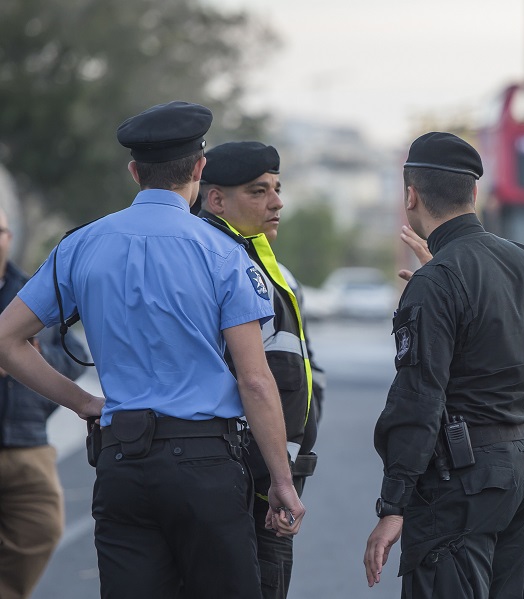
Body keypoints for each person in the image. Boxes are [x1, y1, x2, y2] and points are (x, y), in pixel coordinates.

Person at [0, 101, 304, 599]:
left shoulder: (81, 245)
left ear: (134, 171)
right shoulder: (223, 254)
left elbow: (7, 340)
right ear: (200, 169)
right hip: (207, 466)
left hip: (124, 464)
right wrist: (281, 481)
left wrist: (84, 403)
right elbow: (254, 379)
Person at [363, 132, 524, 598]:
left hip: (462, 483)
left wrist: (394, 506)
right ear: (474, 193)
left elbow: (419, 398)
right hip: (522, 472)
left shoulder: (438, 281)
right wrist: (441, 278)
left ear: (410, 195)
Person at [195, 140, 324, 598]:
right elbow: (251, 379)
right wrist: (274, 479)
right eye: (258, 191)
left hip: (274, 473)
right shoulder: (208, 263)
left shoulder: (274, 269)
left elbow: (300, 369)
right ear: (216, 200)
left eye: (277, 188)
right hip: (245, 478)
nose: (277, 202)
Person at [0, 207, 87, 599]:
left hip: (28, 443)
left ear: (10, 237)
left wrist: (29, 364)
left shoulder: (33, 291)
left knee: (40, 531)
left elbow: (74, 355)